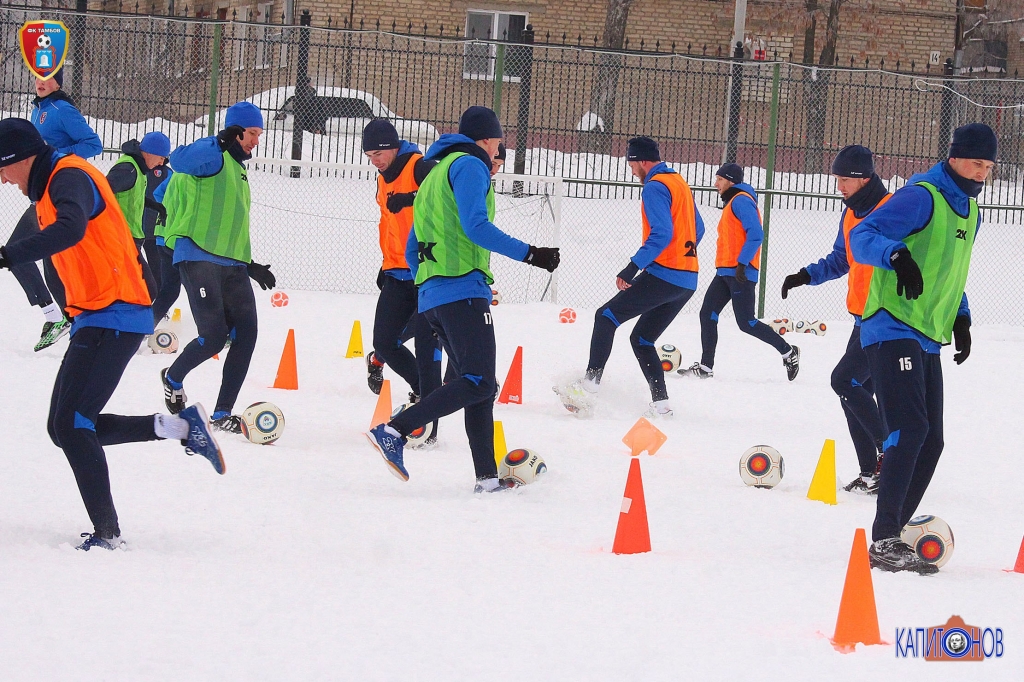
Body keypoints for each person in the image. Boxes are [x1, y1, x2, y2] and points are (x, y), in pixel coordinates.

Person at [0, 118, 224, 551]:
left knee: (73, 423)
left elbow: (71, 229)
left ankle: (108, 535)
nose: (3, 180)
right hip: (97, 314)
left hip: (116, 313)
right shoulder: (50, 185)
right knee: (61, 426)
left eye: (2, 169)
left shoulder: (69, 176)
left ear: (20, 159)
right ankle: (180, 428)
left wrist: (8, 256)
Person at [364, 106, 560, 492]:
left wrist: (427, 281)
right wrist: (531, 253)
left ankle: (486, 480)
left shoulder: (434, 173)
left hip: (433, 295)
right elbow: (476, 226)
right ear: (487, 140)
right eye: (498, 143)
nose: (497, 152)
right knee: (478, 381)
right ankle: (396, 430)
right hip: (462, 290)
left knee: (480, 387)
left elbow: (409, 246)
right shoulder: (470, 166)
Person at [850, 123, 991, 574]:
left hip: (927, 332)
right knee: (909, 430)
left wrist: (961, 316)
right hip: (891, 325)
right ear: (954, 156)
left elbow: (951, 272)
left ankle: (895, 528)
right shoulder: (921, 196)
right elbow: (863, 236)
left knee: (932, 440)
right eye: (975, 162)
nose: (981, 173)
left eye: (988, 166)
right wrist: (896, 255)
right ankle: (884, 538)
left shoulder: (970, 210)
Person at [555, 136, 703, 417]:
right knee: (643, 339)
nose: (632, 170)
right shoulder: (678, 183)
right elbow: (700, 228)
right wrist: (684, 256)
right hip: (687, 280)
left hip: (666, 274)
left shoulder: (654, 187)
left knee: (606, 316)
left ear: (643, 161)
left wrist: (632, 267)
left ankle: (589, 388)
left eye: (632, 164)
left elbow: (661, 234)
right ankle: (661, 406)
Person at [159, 102, 277, 432]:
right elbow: (179, 161)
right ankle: (172, 377)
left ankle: (222, 412)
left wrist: (248, 263)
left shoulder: (239, 170)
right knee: (213, 337)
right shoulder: (213, 156)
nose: (256, 140)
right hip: (197, 255)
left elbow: (230, 219)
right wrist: (218, 142)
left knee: (246, 335)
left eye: (259, 134)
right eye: (252, 134)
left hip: (231, 263)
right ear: (236, 131)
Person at [780, 145, 891, 494]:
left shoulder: (891, 212)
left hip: (885, 317)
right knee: (853, 393)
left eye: (844, 180)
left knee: (844, 381)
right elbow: (841, 259)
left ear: (863, 178)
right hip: (862, 317)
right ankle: (872, 472)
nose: (839, 187)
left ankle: (890, 453)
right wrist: (805, 275)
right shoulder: (850, 214)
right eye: (837, 179)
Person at [5, 70, 103, 352]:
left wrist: (56, 158)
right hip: (41, 195)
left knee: (21, 251)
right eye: (37, 77)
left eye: (47, 78)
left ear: (59, 82)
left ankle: (70, 321)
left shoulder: (62, 109)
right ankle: (64, 319)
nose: (41, 82)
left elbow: (93, 144)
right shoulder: (39, 111)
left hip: (55, 192)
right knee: (49, 263)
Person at [680, 163, 799, 381]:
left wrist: (743, 263)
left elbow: (756, 234)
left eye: (719, 179)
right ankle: (706, 367)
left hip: (740, 272)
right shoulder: (733, 202)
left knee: (747, 322)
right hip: (726, 272)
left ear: (730, 180)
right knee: (707, 314)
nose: (716, 184)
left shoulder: (742, 200)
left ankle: (789, 352)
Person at [362, 119, 438, 400]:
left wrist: (411, 197)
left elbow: (447, 191)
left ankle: (428, 394)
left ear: (393, 147)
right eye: (369, 157)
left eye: (378, 154)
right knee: (383, 341)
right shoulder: (382, 178)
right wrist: (386, 263)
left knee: (429, 337)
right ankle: (422, 387)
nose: (375, 162)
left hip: (426, 271)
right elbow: (388, 225)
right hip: (395, 271)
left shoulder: (419, 165)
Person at [106, 131, 172, 300]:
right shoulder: (128, 168)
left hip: (130, 239)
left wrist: (155, 206)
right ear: (149, 152)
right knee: (143, 290)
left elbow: (131, 196)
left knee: (145, 289)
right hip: (120, 240)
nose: (162, 162)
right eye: (161, 157)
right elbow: (102, 192)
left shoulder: (139, 168)